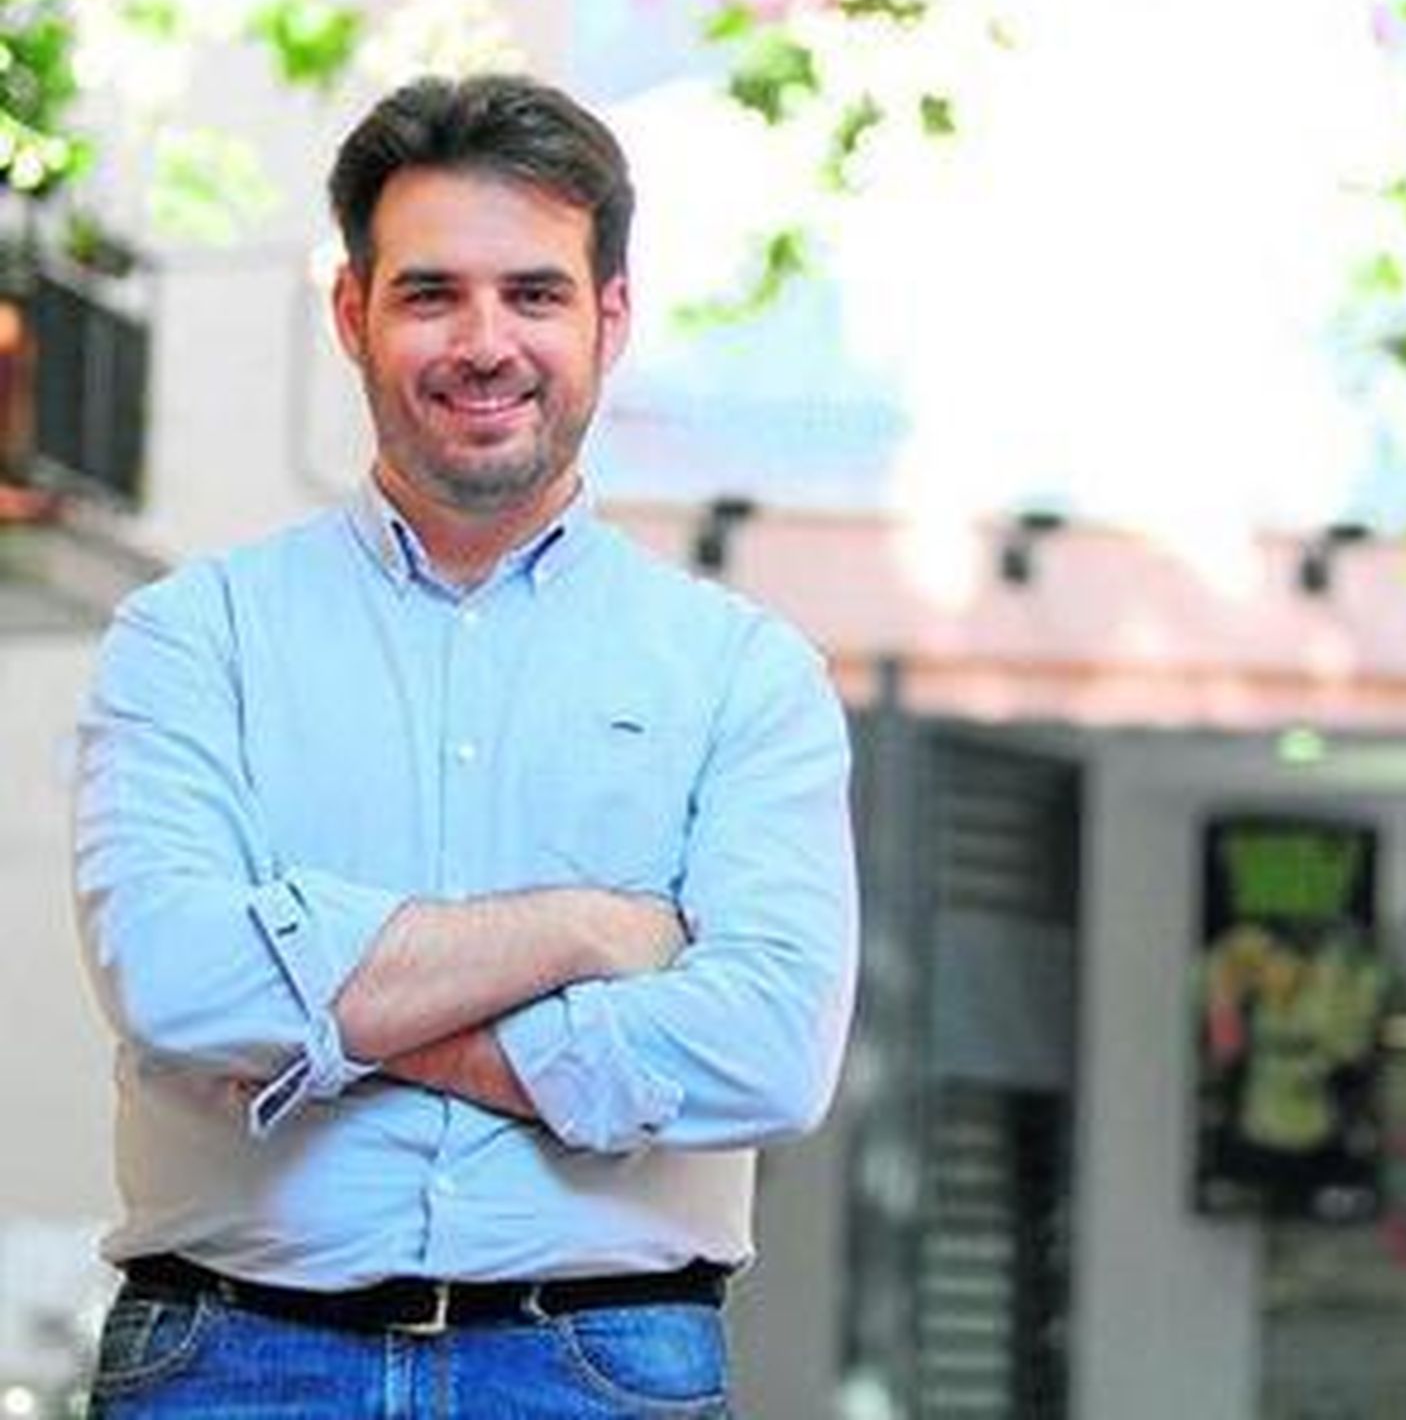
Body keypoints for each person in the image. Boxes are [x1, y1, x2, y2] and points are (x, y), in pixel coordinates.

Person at [72, 73, 860, 1418]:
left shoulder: (745, 676)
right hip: (232, 1362)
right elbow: (180, 983)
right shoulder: (193, 638)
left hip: (600, 1372)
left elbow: (769, 1052)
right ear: (353, 314)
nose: (484, 343)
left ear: (611, 317)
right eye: (431, 294)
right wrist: (590, 932)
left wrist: (322, 1019)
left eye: (535, 294)